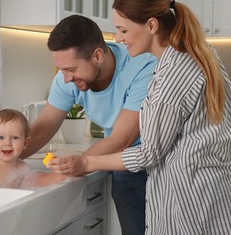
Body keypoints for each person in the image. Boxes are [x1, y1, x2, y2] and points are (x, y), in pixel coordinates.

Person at [47, 0, 231, 234]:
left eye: (123, 30)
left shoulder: (172, 75)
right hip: (219, 191)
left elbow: (147, 153)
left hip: (194, 201)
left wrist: (87, 163)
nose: (118, 39)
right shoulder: (200, 53)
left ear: (151, 26)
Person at [20, 15, 157, 234]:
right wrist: (2, 159)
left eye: (71, 70)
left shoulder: (142, 67)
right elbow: (43, 126)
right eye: (61, 70)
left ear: (97, 56)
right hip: (120, 153)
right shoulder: (68, 77)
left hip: (152, 156)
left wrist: (83, 161)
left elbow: (123, 139)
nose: (65, 78)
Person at [0, 109, 66, 188]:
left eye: (15, 138)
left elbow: (39, 182)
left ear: (25, 143)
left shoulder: (23, 168)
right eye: (1, 137)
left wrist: (58, 170)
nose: (7, 143)